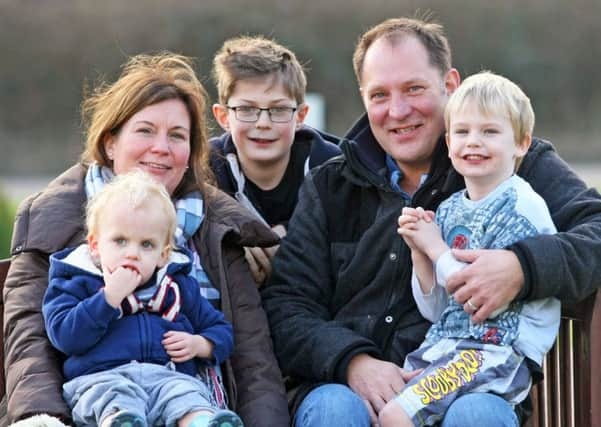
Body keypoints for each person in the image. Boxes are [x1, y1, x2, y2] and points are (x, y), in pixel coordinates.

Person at [261, 16, 601, 427]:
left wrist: (523, 267)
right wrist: (352, 361)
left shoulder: (506, 162)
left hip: (468, 385)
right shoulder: (330, 185)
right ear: (363, 98)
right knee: (334, 409)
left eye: (414, 89)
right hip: (349, 389)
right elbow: (287, 304)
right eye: (380, 95)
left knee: (477, 415)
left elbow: (595, 229)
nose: (398, 110)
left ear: (450, 84)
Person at [2, 52, 289, 427]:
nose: (161, 148)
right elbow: (30, 342)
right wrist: (43, 418)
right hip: (91, 402)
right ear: (110, 143)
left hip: (193, 396)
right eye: (145, 131)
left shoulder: (219, 227)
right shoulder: (52, 219)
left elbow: (253, 358)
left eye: (177, 136)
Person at [379, 71, 560, 426]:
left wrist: (436, 248)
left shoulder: (521, 206)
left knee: (396, 415)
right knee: (387, 405)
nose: (473, 142)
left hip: (497, 351)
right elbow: (436, 310)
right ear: (448, 143)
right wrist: (420, 252)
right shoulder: (450, 208)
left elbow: (478, 301)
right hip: (450, 347)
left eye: (489, 132)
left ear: (521, 143)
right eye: (462, 132)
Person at [43, 170, 242, 427]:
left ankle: (201, 422)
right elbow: (64, 336)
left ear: (163, 254)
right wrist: (108, 298)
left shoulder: (176, 285)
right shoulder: (75, 280)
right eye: (120, 241)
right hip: (102, 377)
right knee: (111, 397)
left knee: (186, 395)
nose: (132, 254)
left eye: (146, 244)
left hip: (166, 377)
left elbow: (221, 329)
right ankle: (121, 423)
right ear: (95, 245)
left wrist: (200, 344)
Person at [209, 35, 341, 285]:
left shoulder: (334, 170)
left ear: (300, 115)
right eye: (246, 109)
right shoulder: (205, 171)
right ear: (224, 117)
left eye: (278, 110)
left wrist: (290, 236)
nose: (263, 123)